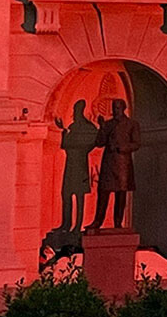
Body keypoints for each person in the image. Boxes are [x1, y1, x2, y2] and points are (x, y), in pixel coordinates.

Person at [86, 98, 140, 232]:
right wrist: (102, 127)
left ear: (123, 108)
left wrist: (123, 147)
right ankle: (98, 221)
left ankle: (118, 223)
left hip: (123, 163)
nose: (115, 110)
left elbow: (137, 143)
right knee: (103, 191)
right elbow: (99, 142)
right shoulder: (108, 124)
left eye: (118, 107)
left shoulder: (131, 124)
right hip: (109, 161)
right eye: (114, 107)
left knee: (121, 194)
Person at [53, 99, 99, 233]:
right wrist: (63, 131)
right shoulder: (72, 127)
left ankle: (78, 226)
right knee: (66, 193)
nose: (75, 112)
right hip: (70, 164)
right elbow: (64, 145)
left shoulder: (88, 127)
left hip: (80, 164)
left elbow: (94, 141)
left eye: (76, 109)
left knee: (79, 196)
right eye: (74, 109)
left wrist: (82, 149)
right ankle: (66, 224)